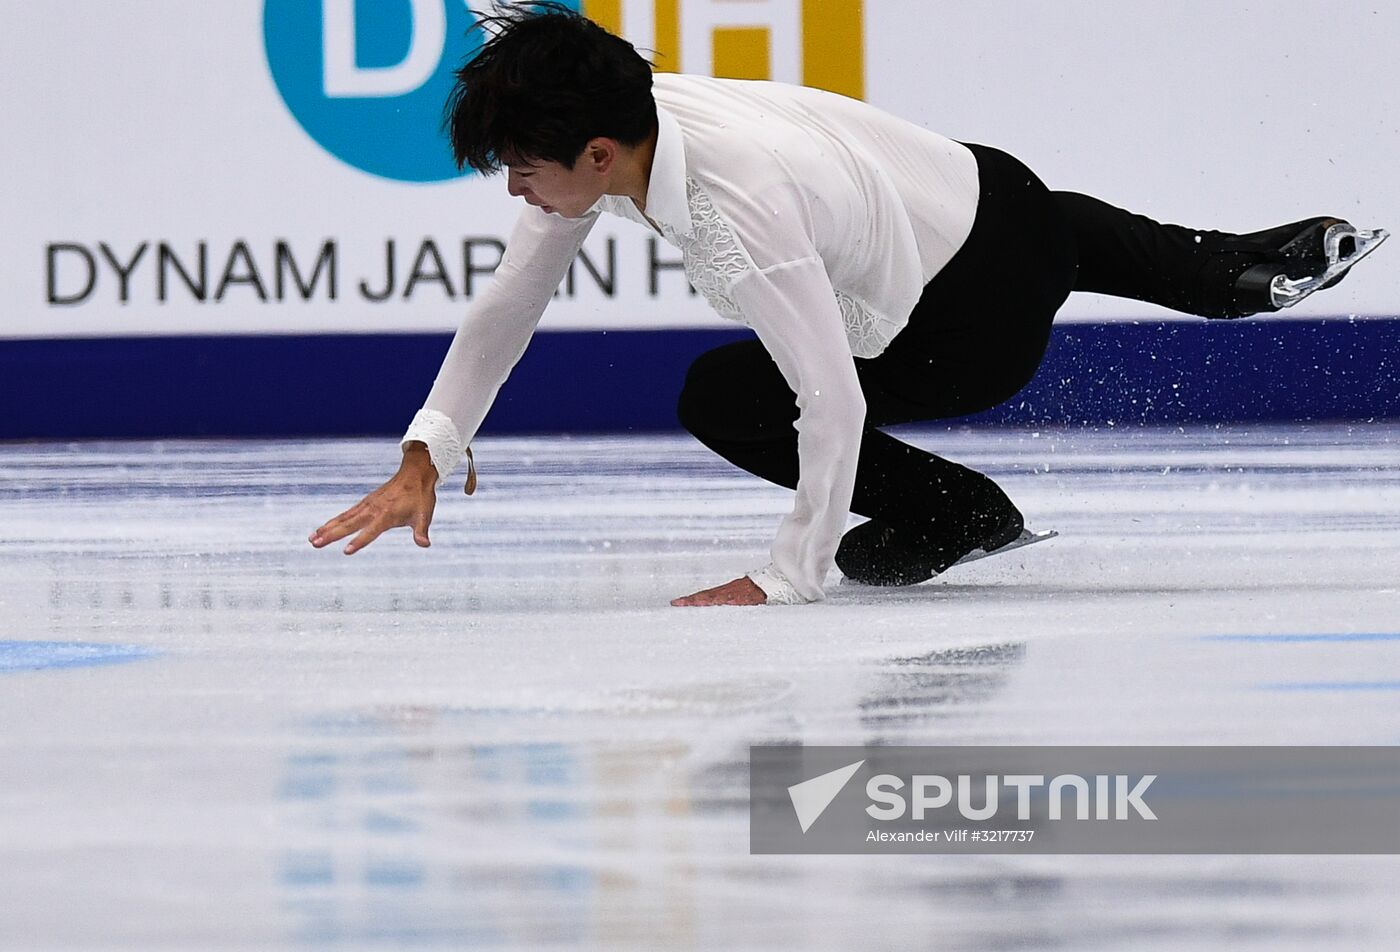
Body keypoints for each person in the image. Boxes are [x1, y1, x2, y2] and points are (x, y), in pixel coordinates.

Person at [309, 4, 1385, 607]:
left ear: (596, 153)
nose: (513, 189)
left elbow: (828, 403)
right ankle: (1241, 273)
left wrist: (786, 576)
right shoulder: (616, 100)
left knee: (722, 394)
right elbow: (509, 302)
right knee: (1090, 242)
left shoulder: (736, 211)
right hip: (999, 193)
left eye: (520, 167)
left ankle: (956, 512)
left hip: (970, 319)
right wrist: (426, 452)